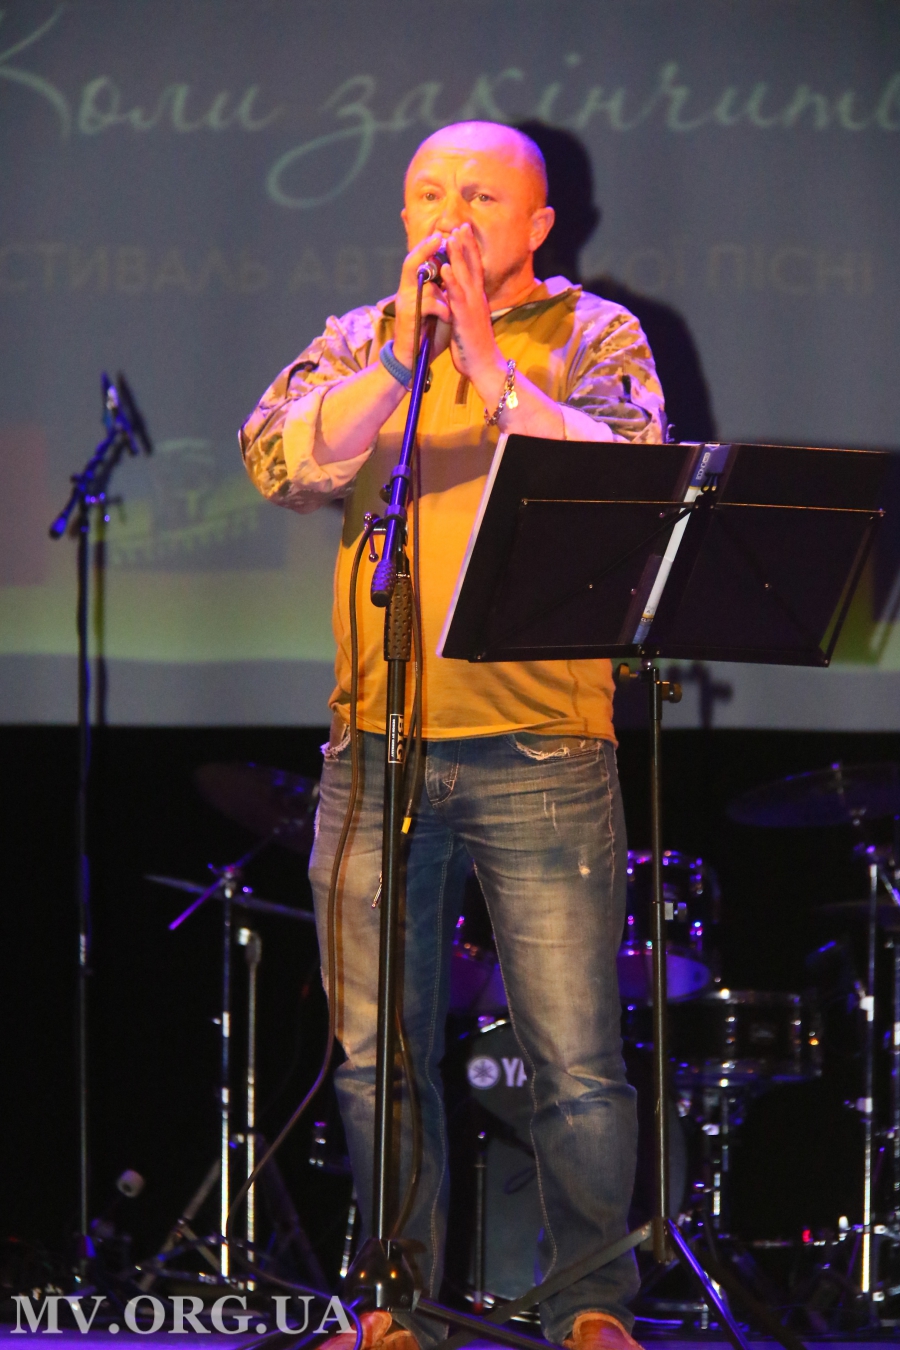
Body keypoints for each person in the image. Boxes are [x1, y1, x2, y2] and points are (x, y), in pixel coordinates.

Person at [240, 121, 665, 1350]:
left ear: (538, 225)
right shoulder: (361, 337)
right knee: (376, 1055)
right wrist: (404, 362)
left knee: (573, 1055)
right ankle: (397, 1300)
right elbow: (278, 461)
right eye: (429, 193)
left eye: (480, 196)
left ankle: (592, 1302)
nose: (450, 215)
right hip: (378, 749)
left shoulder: (598, 336)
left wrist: (482, 355)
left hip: (543, 744)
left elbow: (628, 484)